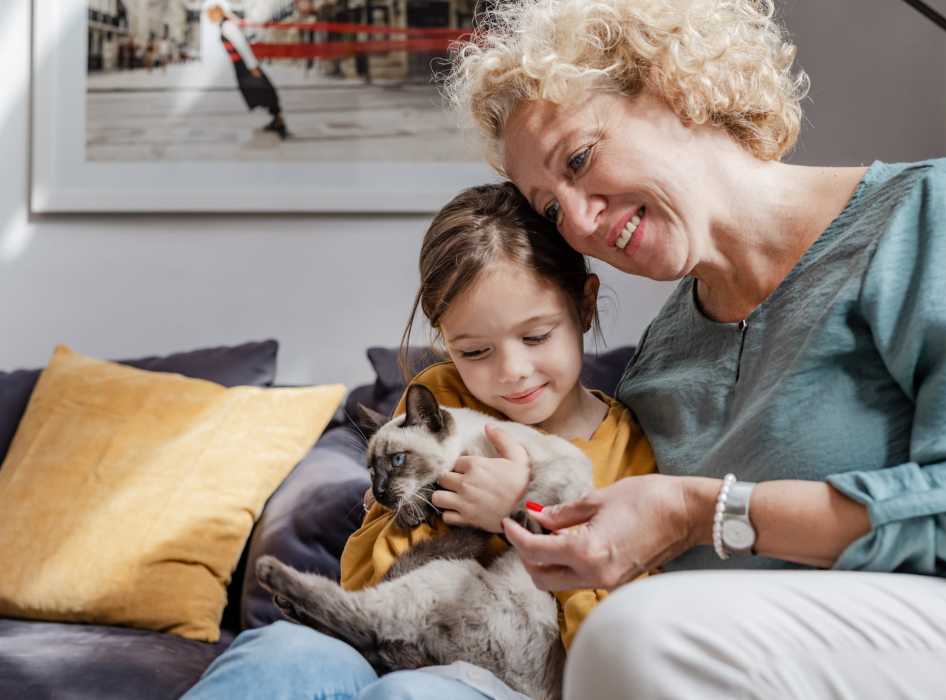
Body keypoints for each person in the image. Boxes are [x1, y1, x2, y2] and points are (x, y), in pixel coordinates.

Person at [441, 0, 946, 698]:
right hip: (738, 671)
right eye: (552, 208)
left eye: (580, 159)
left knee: (637, 636)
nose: (579, 220)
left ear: (677, 89)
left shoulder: (931, 213)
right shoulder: (661, 363)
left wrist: (699, 511)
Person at [182, 182, 657, 699]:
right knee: (279, 653)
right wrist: (423, 508)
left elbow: (615, 638)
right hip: (388, 637)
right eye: (474, 351)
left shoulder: (628, 450)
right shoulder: (439, 401)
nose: (512, 373)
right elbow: (364, 579)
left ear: (585, 306)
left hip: (517, 679)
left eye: (536, 337)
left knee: (409, 694)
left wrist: (518, 513)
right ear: (444, 337)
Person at [203, 1, 289, 139]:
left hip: (245, 65)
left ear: (215, 14)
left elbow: (242, 46)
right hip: (241, 65)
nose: (208, 18)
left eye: (209, 15)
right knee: (259, 91)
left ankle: (279, 122)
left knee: (263, 90)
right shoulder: (225, 25)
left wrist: (253, 67)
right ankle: (276, 120)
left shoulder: (227, 26)